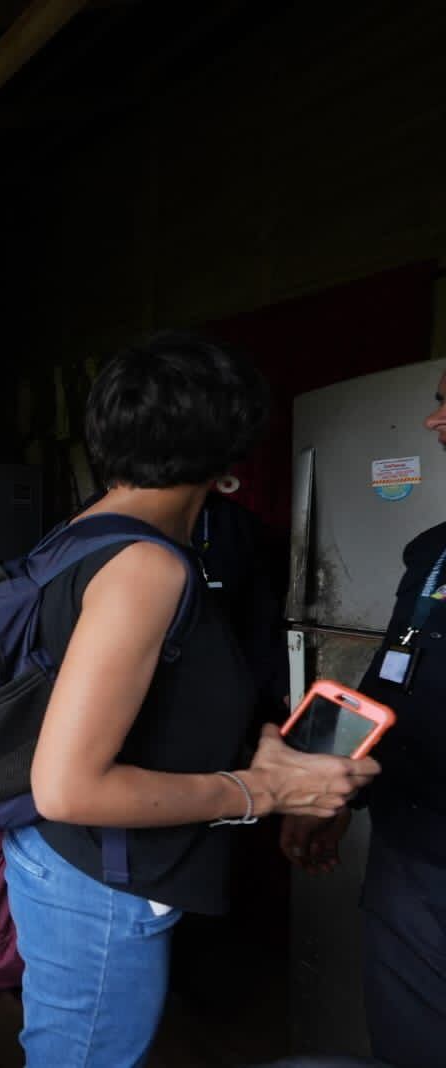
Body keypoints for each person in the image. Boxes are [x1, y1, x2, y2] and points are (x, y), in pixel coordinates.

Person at [9, 332, 379, 1066]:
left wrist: (256, 749)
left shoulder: (80, 535)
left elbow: (134, 708)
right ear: (229, 461)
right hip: (99, 885)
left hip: (63, 863)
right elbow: (67, 784)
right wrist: (256, 791)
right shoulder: (146, 565)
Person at [280, 368, 446, 1068]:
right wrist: (324, 787)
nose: (434, 423)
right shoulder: (435, 557)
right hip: (412, 860)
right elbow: (390, 677)